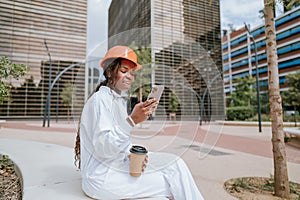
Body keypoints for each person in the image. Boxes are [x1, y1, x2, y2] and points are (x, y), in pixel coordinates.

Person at [74, 45, 205, 200]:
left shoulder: (117, 101)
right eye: (124, 71)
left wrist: (132, 153)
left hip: (115, 167)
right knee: (173, 182)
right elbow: (105, 148)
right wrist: (132, 120)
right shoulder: (100, 100)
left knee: (175, 163)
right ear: (110, 71)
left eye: (132, 72)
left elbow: (118, 143)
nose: (130, 76)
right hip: (102, 178)